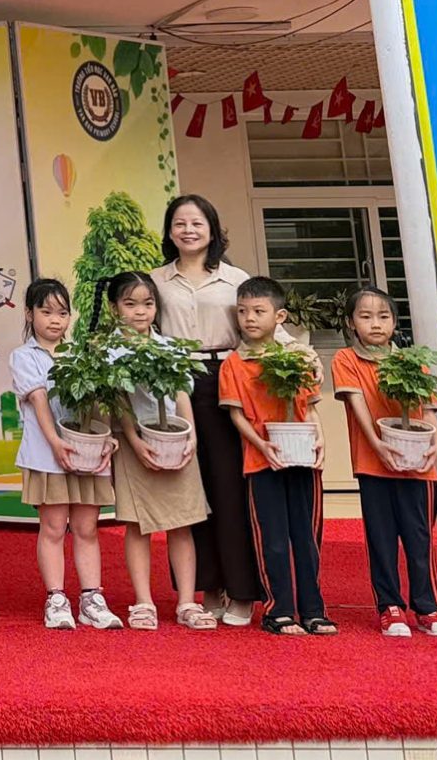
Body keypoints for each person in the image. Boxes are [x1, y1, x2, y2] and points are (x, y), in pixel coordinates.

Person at [152, 194, 261, 626]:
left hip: (226, 380)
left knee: (230, 489)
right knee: (189, 491)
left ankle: (243, 590)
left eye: (197, 223)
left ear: (213, 229)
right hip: (175, 383)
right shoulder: (157, 281)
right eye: (180, 223)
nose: (189, 230)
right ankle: (208, 587)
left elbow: (261, 328)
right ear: (169, 231)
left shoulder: (236, 279)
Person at [333, 285, 437, 638]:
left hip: (419, 466)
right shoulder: (346, 359)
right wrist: (377, 444)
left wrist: (434, 444)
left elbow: (429, 411)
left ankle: (427, 608)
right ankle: (389, 607)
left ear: (395, 322)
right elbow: (357, 405)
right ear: (351, 323)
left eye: (383, 316)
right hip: (373, 465)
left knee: (419, 539)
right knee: (381, 539)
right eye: (365, 316)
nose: (375, 324)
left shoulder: (412, 361)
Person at [96, 273, 212, 630]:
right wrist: (134, 441)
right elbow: (118, 401)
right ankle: (143, 601)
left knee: (182, 523)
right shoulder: (108, 351)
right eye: (130, 304)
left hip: (176, 441)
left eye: (147, 304)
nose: (140, 312)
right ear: (114, 308)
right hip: (134, 445)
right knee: (137, 525)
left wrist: (191, 436)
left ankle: (187, 602)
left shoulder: (169, 347)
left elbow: (181, 392)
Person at [220, 276, 332, 636]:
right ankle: (278, 610)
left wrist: (320, 439)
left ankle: (314, 610)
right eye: (242, 312)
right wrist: (262, 444)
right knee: (272, 539)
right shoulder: (233, 364)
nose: (249, 318)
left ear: (280, 316)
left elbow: (310, 407)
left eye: (258, 311)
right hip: (260, 461)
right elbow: (237, 415)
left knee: (307, 537)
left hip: (303, 459)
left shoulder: (297, 358)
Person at [14, 279, 119, 631]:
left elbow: (100, 402)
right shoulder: (23, 356)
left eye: (62, 313)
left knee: (87, 528)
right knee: (54, 527)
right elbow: (39, 399)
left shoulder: (83, 356)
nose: (55, 320)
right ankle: (56, 598)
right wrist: (55, 443)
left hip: (87, 452)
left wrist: (106, 438)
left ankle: (92, 599)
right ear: (29, 314)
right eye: (46, 312)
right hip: (46, 456)